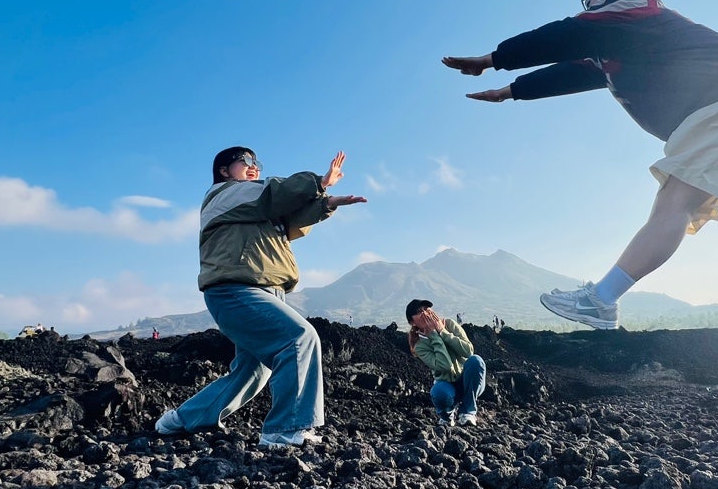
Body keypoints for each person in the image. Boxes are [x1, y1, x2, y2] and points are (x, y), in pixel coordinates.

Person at [443, 0, 718, 330]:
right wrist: (509, 92)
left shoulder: (634, 10)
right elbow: (574, 70)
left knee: (676, 203)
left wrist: (492, 60)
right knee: (672, 203)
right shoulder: (626, 40)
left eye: (588, 2)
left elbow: (566, 34)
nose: (586, 12)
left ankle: (601, 301)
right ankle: (603, 300)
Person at [156, 146, 366, 448]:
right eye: (246, 161)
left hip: (269, 291)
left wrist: (325, 204)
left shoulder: (253, 207)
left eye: (257, 162)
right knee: (299, 338)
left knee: (252, 371)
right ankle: (284, 428)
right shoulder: (223, 195)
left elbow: (288, 222)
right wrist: (318, 183)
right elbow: (273, 195)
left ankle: (182, 419)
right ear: (224, 171)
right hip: (235, 290)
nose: (254, 166)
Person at [406, 299, 485, 426]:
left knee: (476, 361)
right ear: (412, 322)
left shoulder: (450, 325)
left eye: (427, 309)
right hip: (446, 385)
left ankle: (468, 412)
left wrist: (443, 332)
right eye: (420, 312)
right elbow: (445, 366)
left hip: (467, 382)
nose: (426, 314)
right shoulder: (419, 345)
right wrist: (434, 336)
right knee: (439, 392)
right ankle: (447, 414)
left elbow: (468, 351)